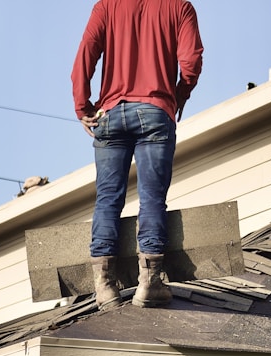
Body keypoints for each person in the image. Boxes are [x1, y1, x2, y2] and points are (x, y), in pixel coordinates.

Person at [72, 0, 203, 309]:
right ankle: (150, 283)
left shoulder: (106, 6)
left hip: (110, 113)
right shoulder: (180, 7)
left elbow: (85, 54)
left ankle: (104, 288)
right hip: (156, 111)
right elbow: (192, 61)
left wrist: (82, 106)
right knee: (153, 197)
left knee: (107, 198)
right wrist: (179, 95)